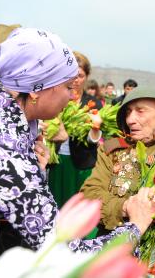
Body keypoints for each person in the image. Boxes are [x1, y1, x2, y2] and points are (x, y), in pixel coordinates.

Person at [0, 28, 155, 277]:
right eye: (67, 86)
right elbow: (65, 253)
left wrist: (35, 171)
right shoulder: (0, 147)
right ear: (35, 89)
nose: (73, 95)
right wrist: (136, 226)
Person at [81, 87, 155, 235]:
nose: (130, 120)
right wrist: (126, 207)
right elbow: (90, 194)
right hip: (116, 245)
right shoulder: (113, 150)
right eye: (128, 112)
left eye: (140, 111)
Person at [45, 52, 103, 210]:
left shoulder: (93, 104)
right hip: (57, 162)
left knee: (80, 208)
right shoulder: (55, 97)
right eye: (72, 75)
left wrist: (95, 128)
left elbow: (93, 140)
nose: (76, 80)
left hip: (81, 163)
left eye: (80, 75)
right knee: (57, 205)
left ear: (87, 76)